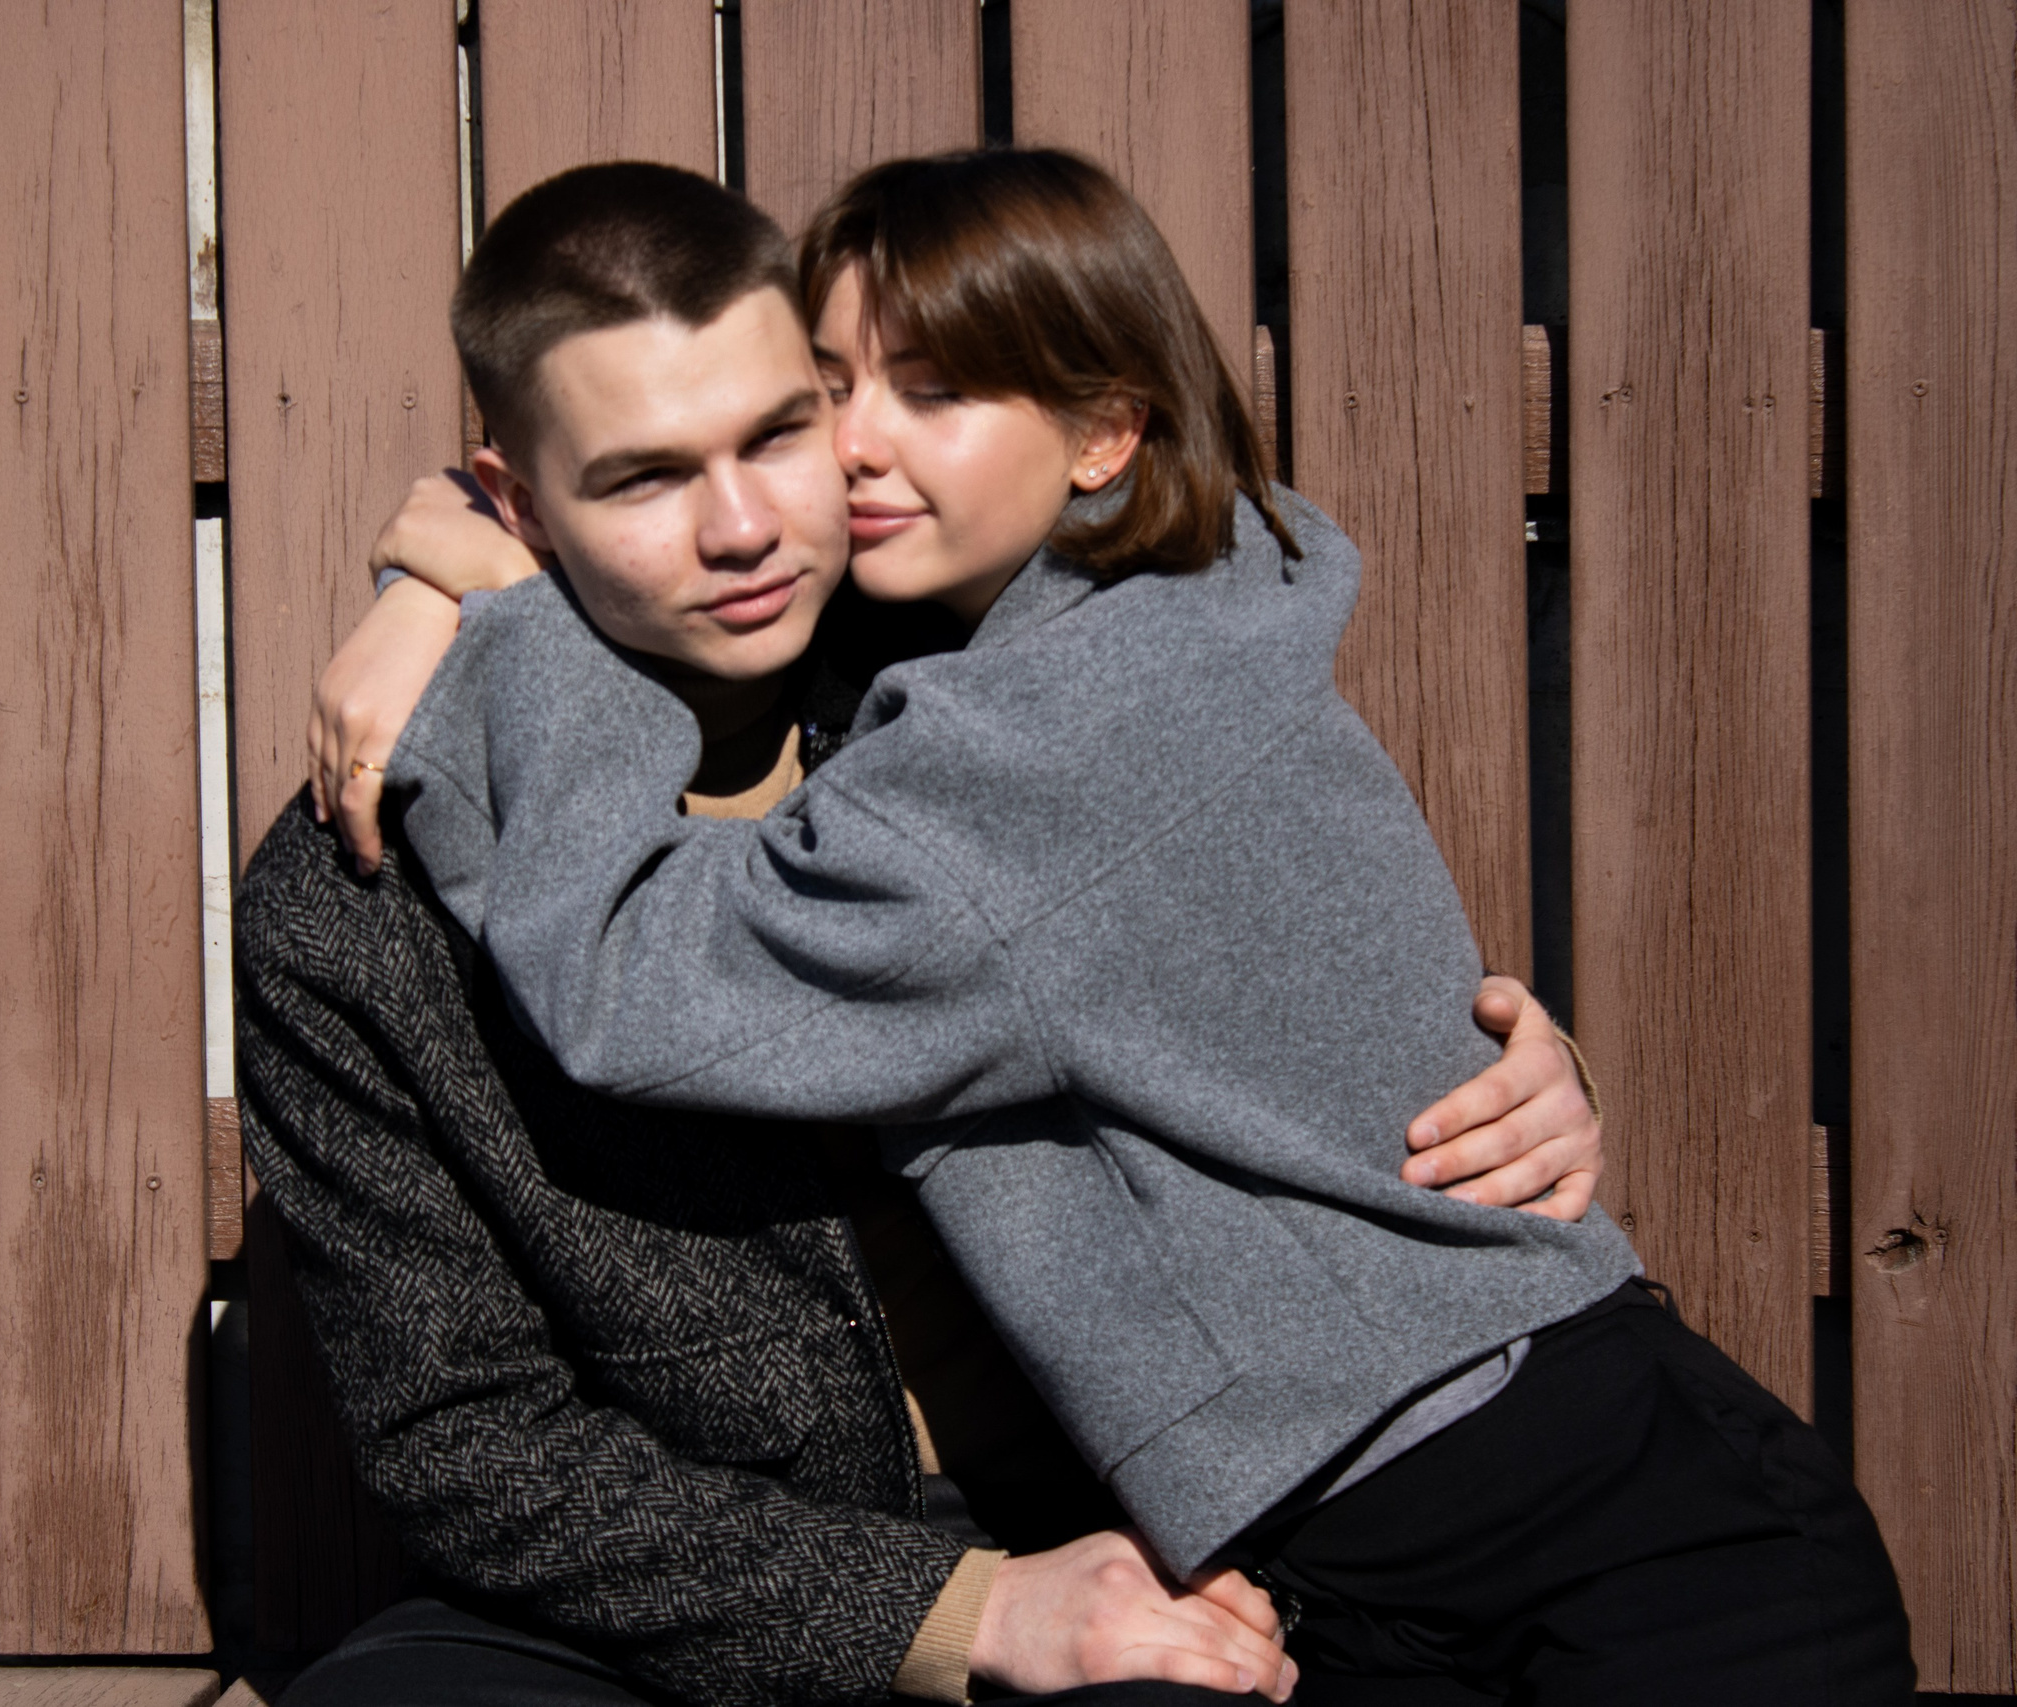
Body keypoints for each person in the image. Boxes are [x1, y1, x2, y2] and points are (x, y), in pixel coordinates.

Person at [352, 151, 1915, 1703]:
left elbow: (632, 982)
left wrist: (497, 622)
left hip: (1608, 1530)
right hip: (1334, 1562)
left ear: (1106, 431)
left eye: (937, 391)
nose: (852, 456)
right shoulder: (1130, 624)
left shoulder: (1050, 730)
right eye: (837, 388)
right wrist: (443, 581)